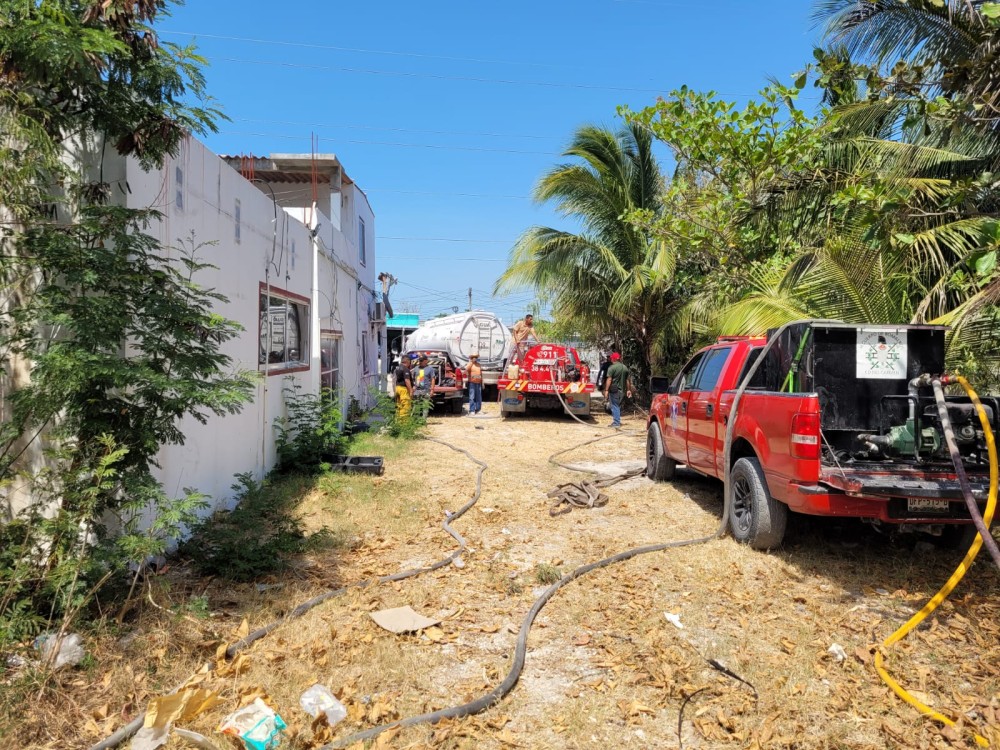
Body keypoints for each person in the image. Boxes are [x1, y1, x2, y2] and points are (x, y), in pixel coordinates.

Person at [603, 352, 633, 428]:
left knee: (614, 406)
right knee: (617, 406)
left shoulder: (611, 367)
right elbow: (627, 380)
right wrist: (628, 390)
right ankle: (616, 421)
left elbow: (609, 379)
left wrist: (606, 390)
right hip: (622, 391)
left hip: (614, 390)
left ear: (613, 358)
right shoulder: (625, 367)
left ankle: (616, 423)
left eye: (611, 358)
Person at [393, 355, 415, 419]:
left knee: (399, 405)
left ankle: (398, 421)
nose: (410, 364)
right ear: (407, 361)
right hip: (403, 389)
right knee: (405, 406)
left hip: (397, 388)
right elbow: (407, 380)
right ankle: (404, 423)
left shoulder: (397, 368)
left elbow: (394, 379)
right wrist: (411, 390)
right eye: (409, 362)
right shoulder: (405, 369)